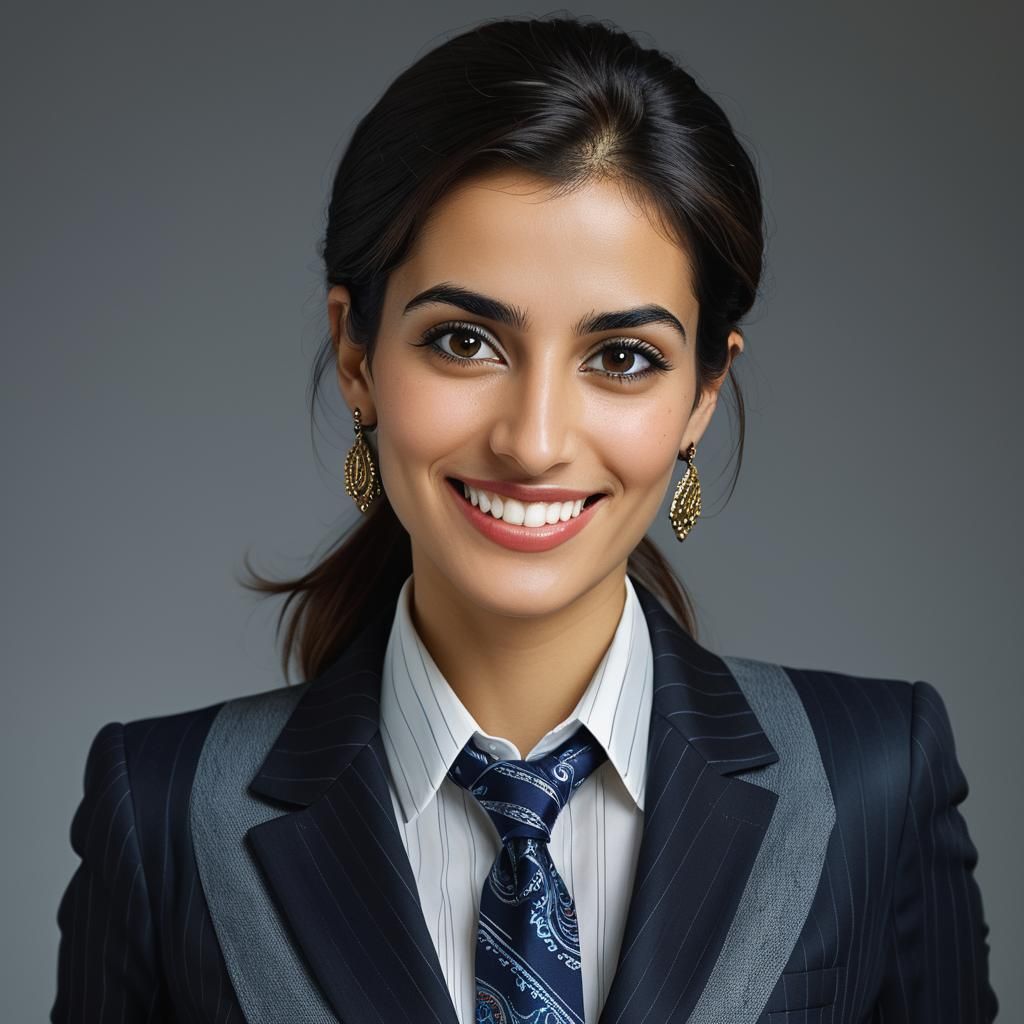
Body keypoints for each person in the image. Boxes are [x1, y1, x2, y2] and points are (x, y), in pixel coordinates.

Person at [51, 14, 998, 1024]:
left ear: (703, 395)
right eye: (464, 341)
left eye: (622, 358)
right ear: (358, 355)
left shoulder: (870, 783)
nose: (534, 439)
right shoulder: (162, 811)